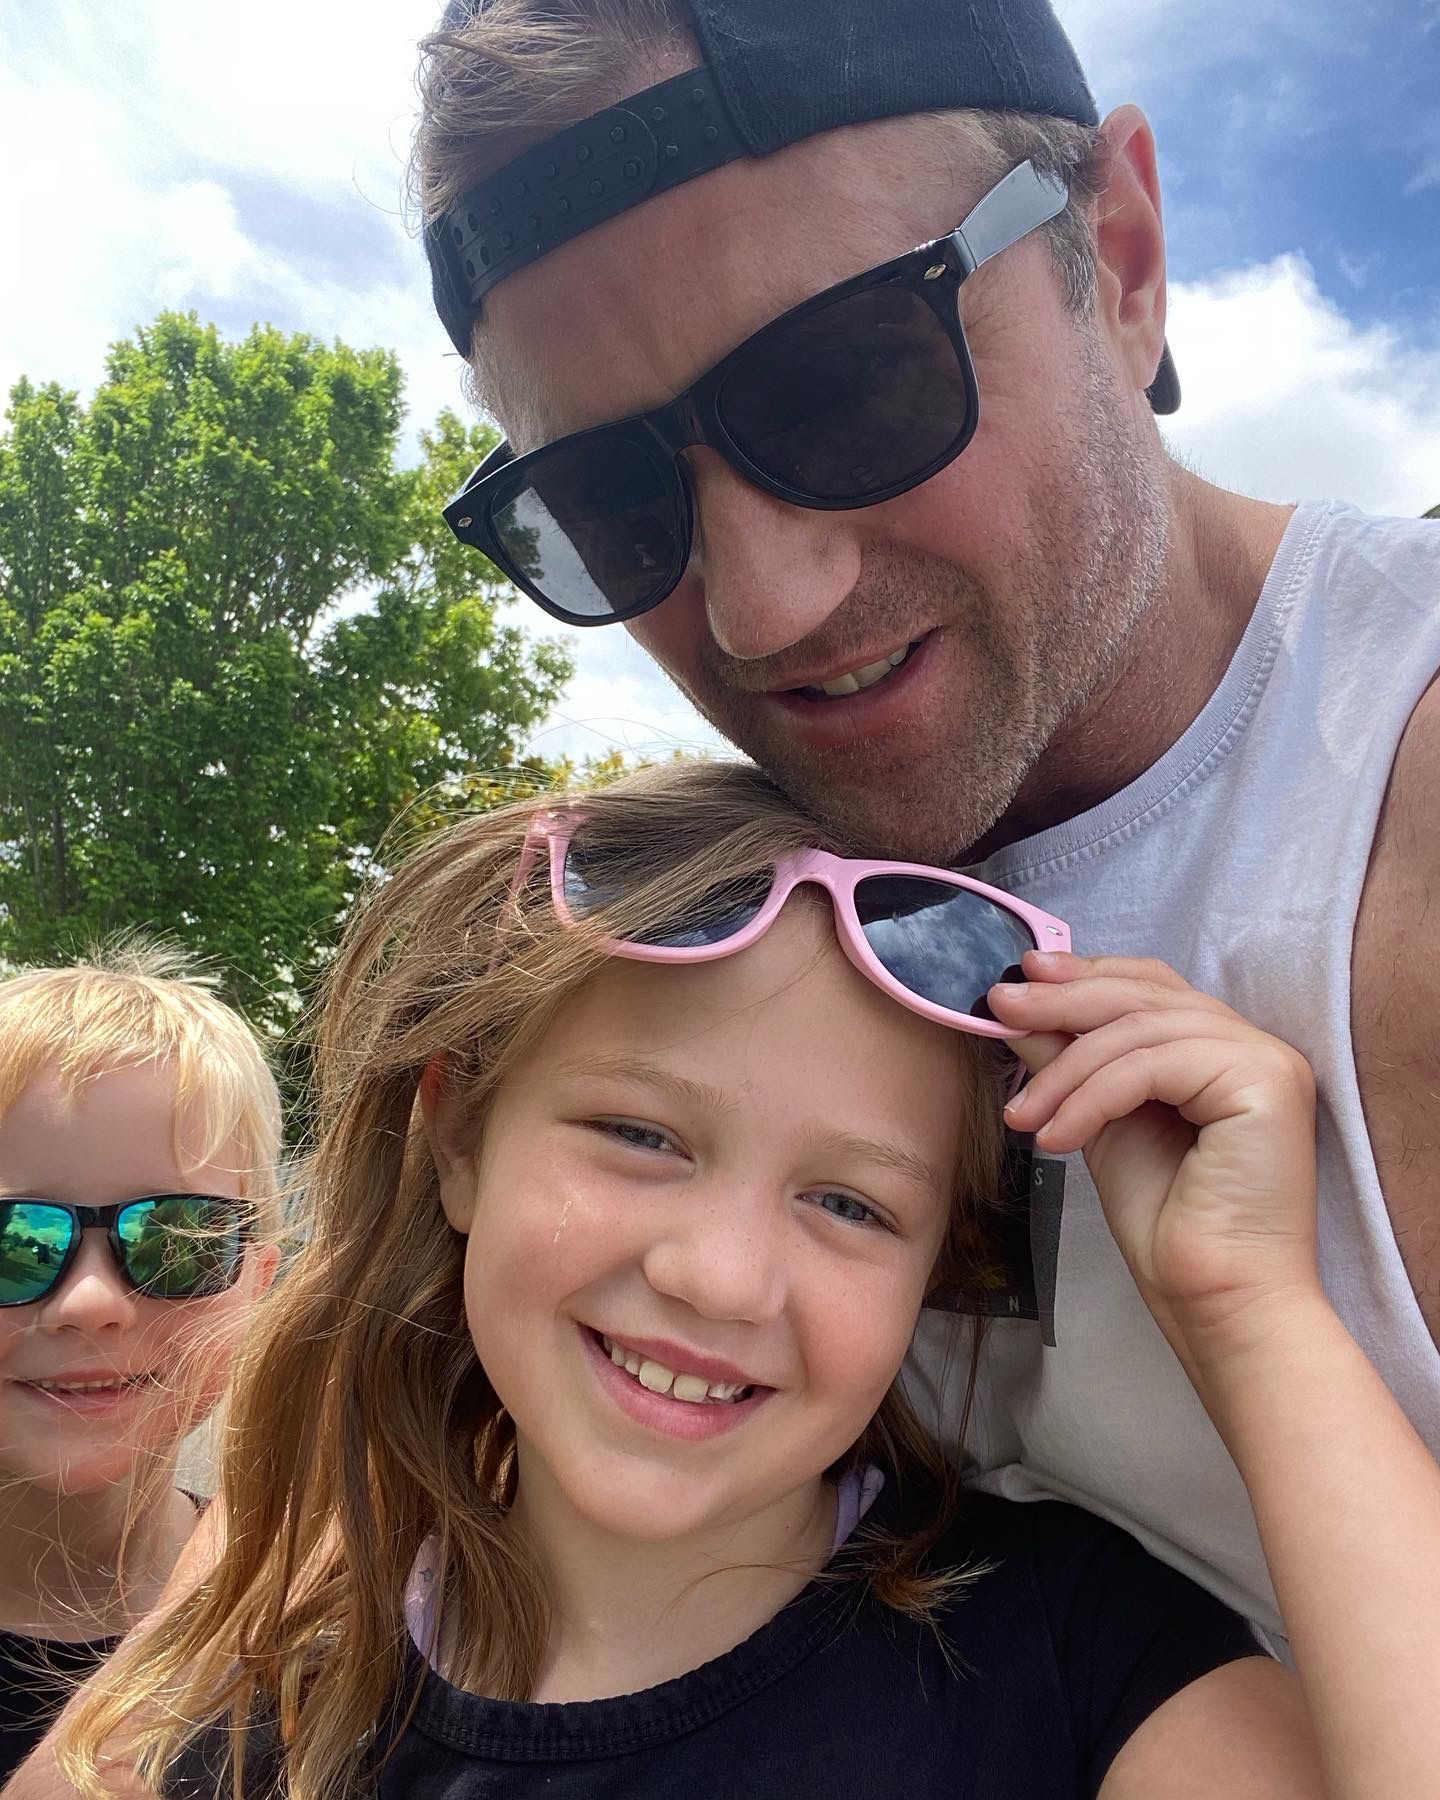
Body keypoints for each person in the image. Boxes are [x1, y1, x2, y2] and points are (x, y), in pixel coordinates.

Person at [411, 0, 1440, 1630]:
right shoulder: (732, 908)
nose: (762, 608)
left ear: (1120, 260)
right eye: (609, 503)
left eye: (848, 384)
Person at [21, 759, 1440, 1798]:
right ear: (457, 1141)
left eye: (850, 1203)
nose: (720, 1277)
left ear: (941, 1261)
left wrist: (1252, 1311)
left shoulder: (1079, 1664)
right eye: (640, 1135)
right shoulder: (262, 1689)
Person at [0, 940, 282, 1786]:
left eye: (177, 1239)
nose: (92, 1301)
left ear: (259, 1284)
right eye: (14, 1239)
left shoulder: (324, 1639)